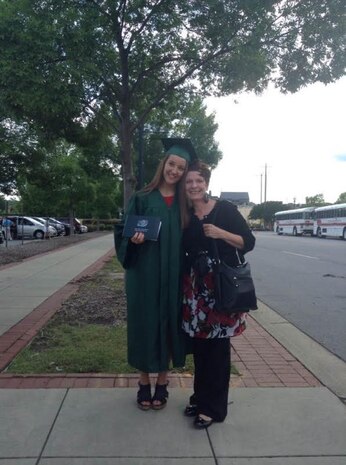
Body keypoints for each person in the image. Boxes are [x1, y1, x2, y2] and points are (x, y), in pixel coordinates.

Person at [115, 138, 196, 410]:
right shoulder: (141, 198)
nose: (174, 170)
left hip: (175, 278)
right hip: (145, 276)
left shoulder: (186, 204)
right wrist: (132, 241)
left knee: (170, 325)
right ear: (164, 164)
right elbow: (122, 233)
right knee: (145, 324)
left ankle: (162, 382)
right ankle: (143, 382)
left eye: (180, 167)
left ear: (185, 172)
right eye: (171, 164)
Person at [181, 160, 256, 429]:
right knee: (200, 350)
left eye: (198, 181)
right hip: (196, 290)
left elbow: (248, 242)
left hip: (221, 289)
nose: (193, 186)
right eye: (189, 182)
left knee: (218, 352)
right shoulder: (185, 215)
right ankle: (200, 398)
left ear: (207, 183)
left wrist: (220, 233)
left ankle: (214, 409)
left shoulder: (224, 210)